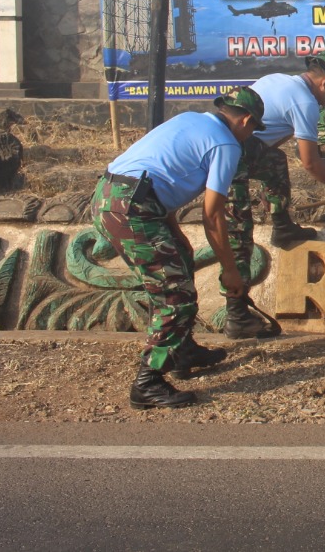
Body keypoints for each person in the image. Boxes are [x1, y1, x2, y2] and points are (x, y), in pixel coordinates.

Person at [90, 88, 264, 409]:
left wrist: (175, 231)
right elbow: (213, 214)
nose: (250, 136)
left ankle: (182, 350)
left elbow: (160, 171)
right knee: (175, 294)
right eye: (254, 129)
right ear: (247, 120)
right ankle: (148, 382)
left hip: (109, 195)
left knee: (179, 266)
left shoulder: (190, 120)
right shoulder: (226, 144)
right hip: (132, 208)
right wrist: (230, 270)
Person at [223, 52, 325, 338]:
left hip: (244, 146)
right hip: (228, 155)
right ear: (324, 82)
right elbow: (310, 163)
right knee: (239, 232)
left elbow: (269, 137)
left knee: (274, 161)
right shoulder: (305, 103)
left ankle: (282, 226)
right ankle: (236, 314)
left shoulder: (277, 79)